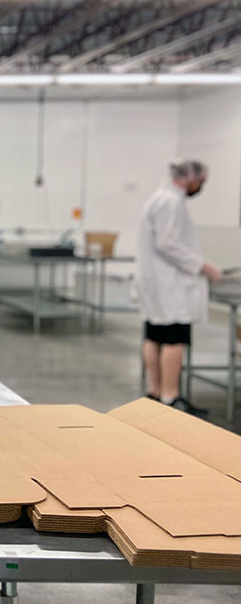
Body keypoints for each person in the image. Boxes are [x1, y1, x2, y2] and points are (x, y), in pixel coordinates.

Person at [137, 159, 222, 415]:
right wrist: (202, 266)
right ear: (190, 178)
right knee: (174, 339)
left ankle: (155, 392)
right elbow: (168, 243)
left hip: (157, 283)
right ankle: (170, 397)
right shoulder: (170, 202)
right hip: (169, 284)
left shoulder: (159, 198)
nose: (201, 187)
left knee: (154, 335)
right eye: (201, 182)